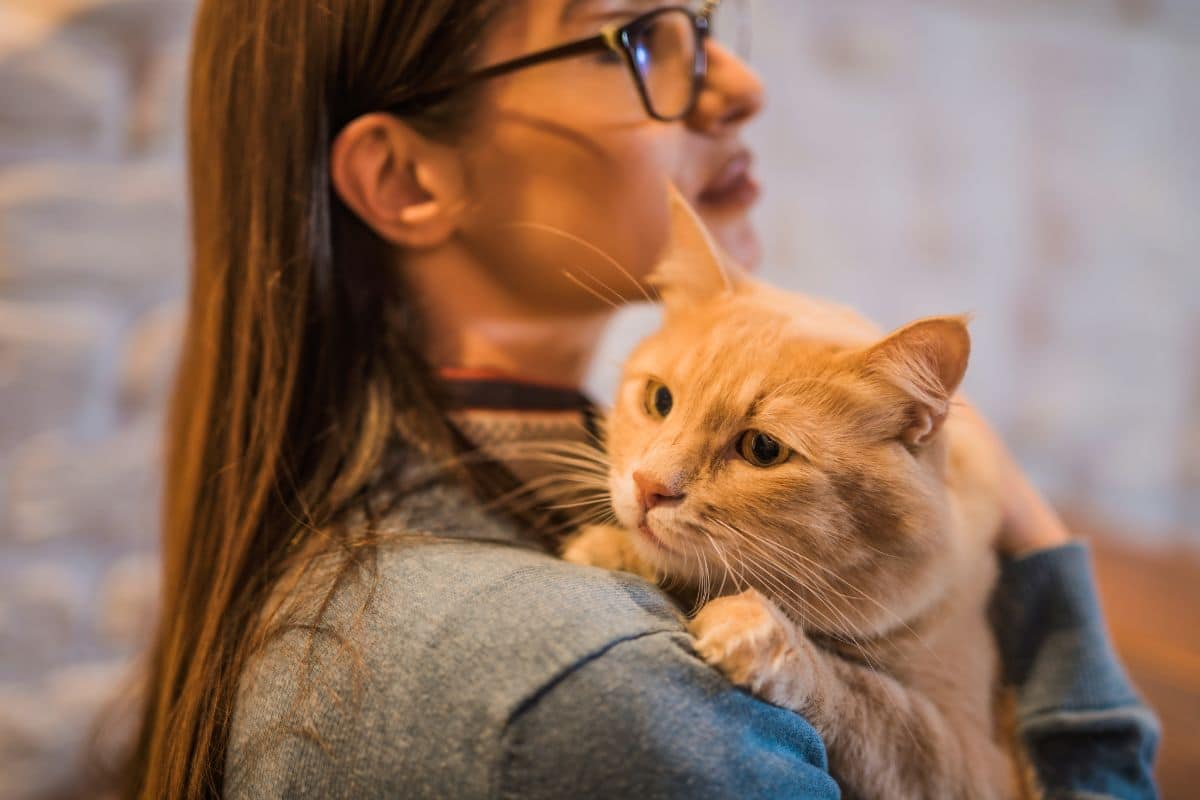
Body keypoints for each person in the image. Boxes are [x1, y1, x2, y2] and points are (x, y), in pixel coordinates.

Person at [121, 1, 1160, 797]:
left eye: (704, 26)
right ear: (405, 178)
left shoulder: (383, 542)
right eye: (632, 36)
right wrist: (1039, 559)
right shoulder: (600, 685)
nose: (741, 82)